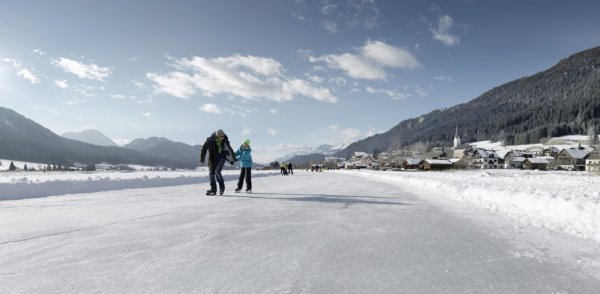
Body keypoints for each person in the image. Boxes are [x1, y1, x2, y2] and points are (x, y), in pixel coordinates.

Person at [200, 129, 235, 195]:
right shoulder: (209, 141)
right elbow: (203, 149)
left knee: (217, 171)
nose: (223, 138)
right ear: (217, 136)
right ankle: (213, 189)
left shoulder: (225, 140)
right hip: (212, 159)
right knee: (211, 174)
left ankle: (222, 188)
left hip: (221, 158)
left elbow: (229, 149)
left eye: (224, 136)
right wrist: (202, 159)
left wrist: (231, 160)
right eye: (222, 137)